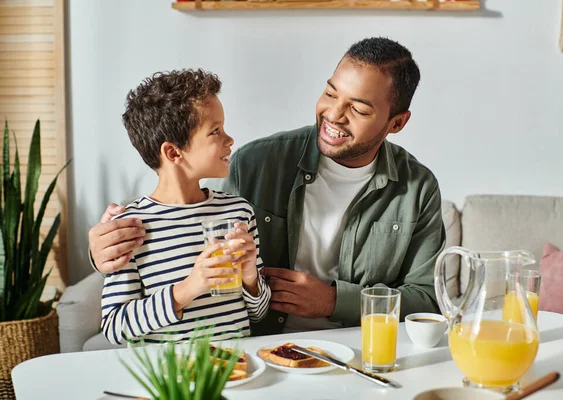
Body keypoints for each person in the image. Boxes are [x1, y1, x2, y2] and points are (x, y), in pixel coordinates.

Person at [90, 37, 445, 337]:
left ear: (396, 122)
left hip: (356, 345)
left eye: (359, 109)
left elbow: (428, 299)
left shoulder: (417, 188)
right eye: (330, 93)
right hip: (263, 348)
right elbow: (183, 226)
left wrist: (334, 301)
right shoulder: (255, 163)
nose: (334, 114)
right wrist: (106, 248)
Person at [100, 69, 271, 345]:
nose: (230, 140)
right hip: (172, 381)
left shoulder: (238, 212)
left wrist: (250, 275)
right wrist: (188, 289)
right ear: (173, 152)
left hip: (236, 370)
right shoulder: (131, 227)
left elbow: (260, 312)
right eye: (215, 131)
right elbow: (115, 327)